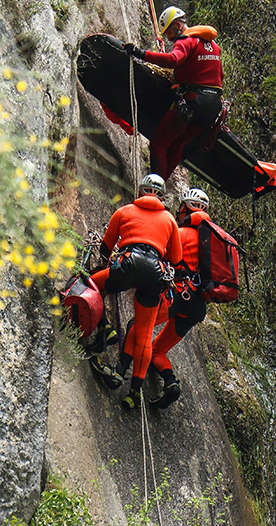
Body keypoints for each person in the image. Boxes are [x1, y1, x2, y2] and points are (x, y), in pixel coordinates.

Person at [89, 173, 182, 409]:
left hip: (129, 262)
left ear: (140, 191)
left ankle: (105, 327)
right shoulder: (170, 220)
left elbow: (106, 247)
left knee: (93, 284)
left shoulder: (125, 211)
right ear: (161, 197)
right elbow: (176, 258)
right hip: (155, 272)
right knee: (144, 333)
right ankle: (134, 392)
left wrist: (110, 265)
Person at [124, 6, 224, 180]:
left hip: (194, 102)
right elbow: (220, 75)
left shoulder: (187, 40)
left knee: (159, 143)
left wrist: (141, 54)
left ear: (178, 24)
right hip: (213, 108)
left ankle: (154, 188)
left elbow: (173, 59)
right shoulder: (213, 46)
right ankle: (160, 186)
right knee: (177, 145)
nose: (169, 38)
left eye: (169, 32)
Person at [146, 187, 213, 409]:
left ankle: (126, 373)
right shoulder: (211, 241)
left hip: (179, 295)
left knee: (141, 327)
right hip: (197, 308)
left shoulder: (182, 232)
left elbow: (160, 255)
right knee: (158, 350)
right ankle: (171, 384)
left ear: (185, 207)